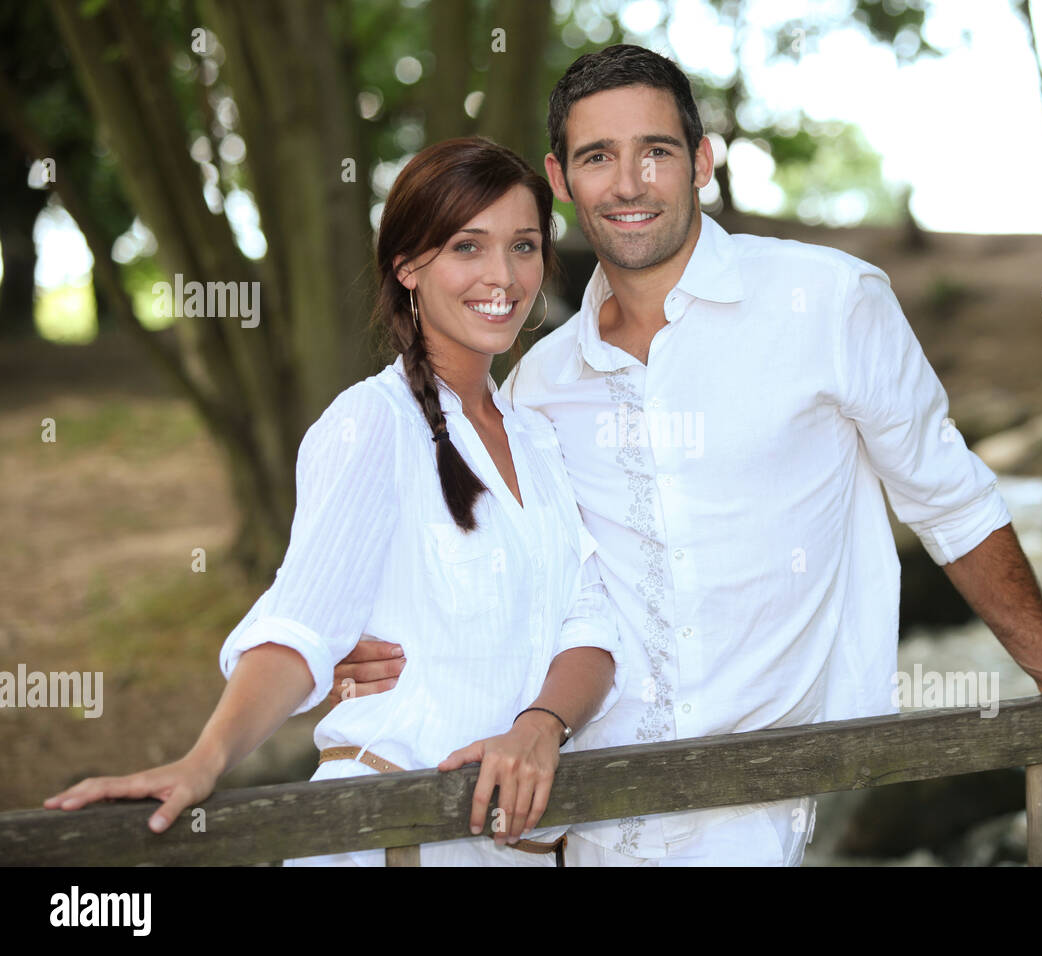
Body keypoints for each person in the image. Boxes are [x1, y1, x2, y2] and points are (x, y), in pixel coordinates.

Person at [335, 45, 1042, 867]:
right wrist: (357, 643)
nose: (627, 184)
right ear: (560, 178)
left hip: (749, 805)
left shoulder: (831, 302)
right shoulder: (540, 381)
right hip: (574, 812)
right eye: (597, 158)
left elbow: (946, 496)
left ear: (701, 162)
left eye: (654, 151)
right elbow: (518, 570)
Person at [43, 137, 623, 867]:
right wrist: (206, 758)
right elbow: (302, 623)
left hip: (520, 853)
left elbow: (592, 624)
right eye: (467, 247)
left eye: (525, 246)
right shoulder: (373, 422)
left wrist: (542, 723)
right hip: (390, 837)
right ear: (408, 265)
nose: (503, 275)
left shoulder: (537, 438)